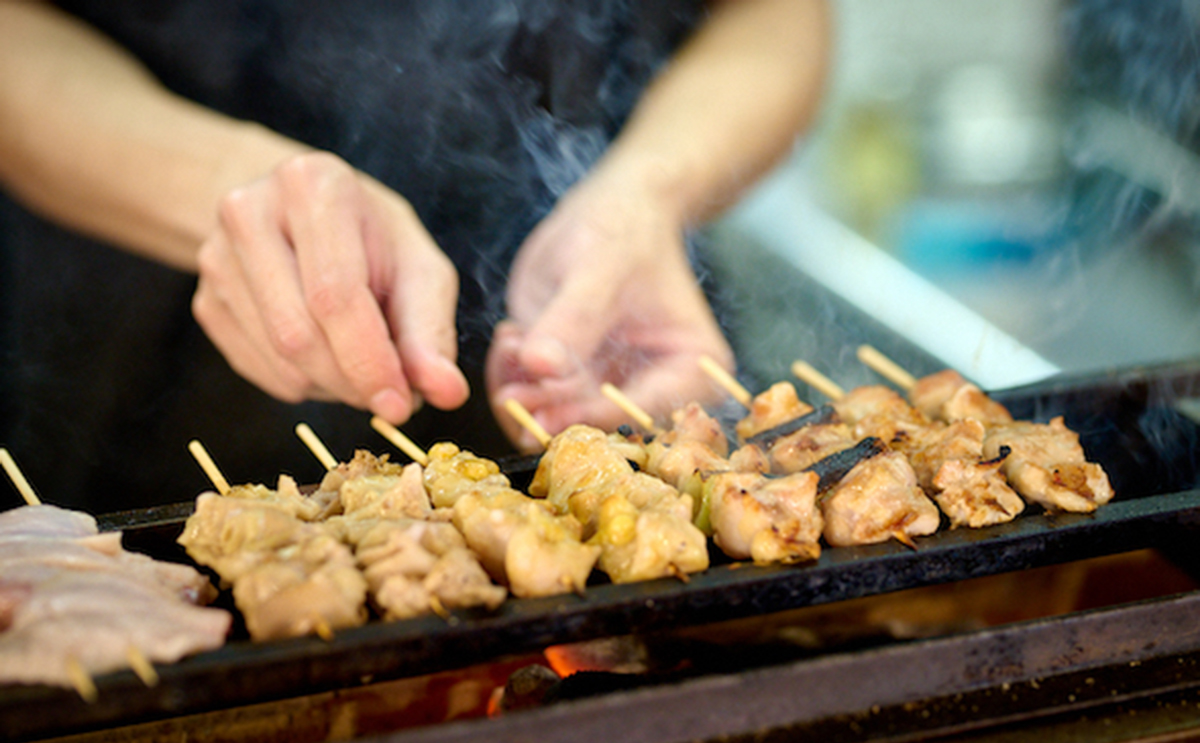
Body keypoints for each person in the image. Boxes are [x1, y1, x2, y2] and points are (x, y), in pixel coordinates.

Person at [0, 0, 830, 512]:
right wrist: (222, 189)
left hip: (611, 321)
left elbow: (773, 10)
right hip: (136, 370)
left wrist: (650, 192)